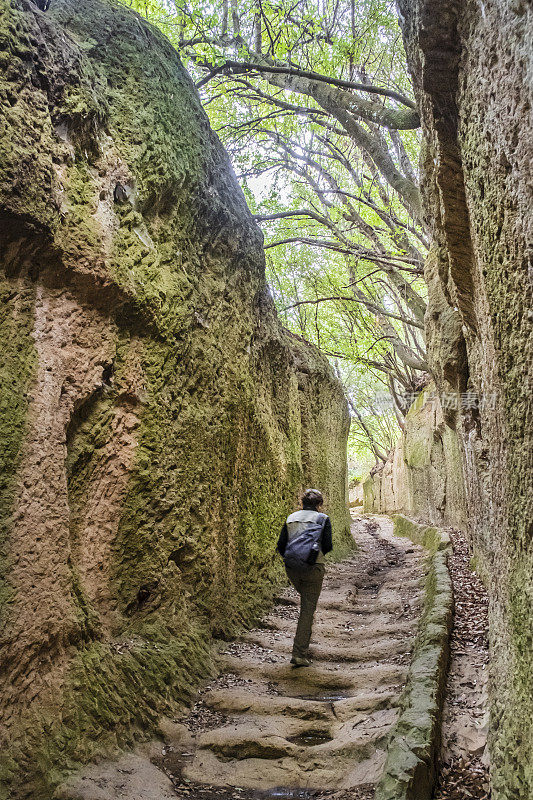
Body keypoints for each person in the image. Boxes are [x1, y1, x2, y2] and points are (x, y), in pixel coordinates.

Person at [276, 488, 332, 667]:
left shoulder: (291, 518)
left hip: (291, 568)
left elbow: (281, 545)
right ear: (319, 504)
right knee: (307, 609)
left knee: (306, 602)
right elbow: (328, 545)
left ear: (302, 502)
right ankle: (299, 653)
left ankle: (304, 640)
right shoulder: (322, 519)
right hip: (313, 567)